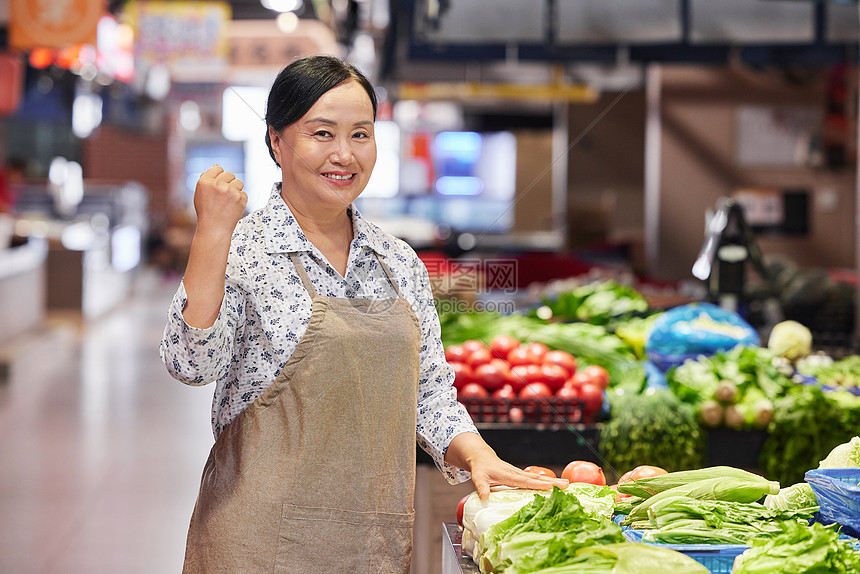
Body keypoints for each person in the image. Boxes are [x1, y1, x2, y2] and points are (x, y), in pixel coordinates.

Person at [159, 55, 567, 573]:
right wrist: (211, 233)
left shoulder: (397, 261)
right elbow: (190, 365)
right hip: (256, 544)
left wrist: (477, 455)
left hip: (369, 544)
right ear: (276, 141)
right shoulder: (244, 249)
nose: (344, 155)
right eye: (322, 133)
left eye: (361, 134)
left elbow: (429, 390)